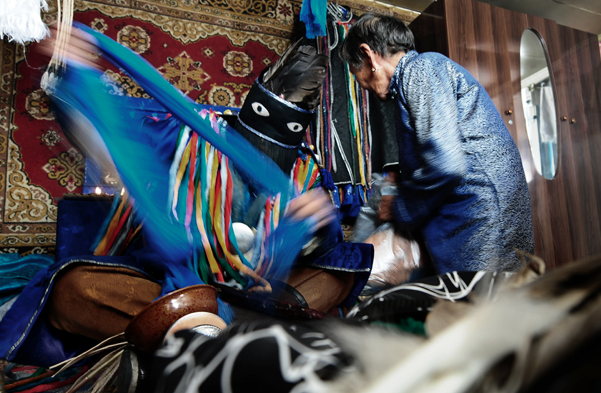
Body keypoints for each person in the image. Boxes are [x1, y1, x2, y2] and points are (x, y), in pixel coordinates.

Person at [0, 25, 372, 368]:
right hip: (177, 285)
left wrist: (317, 227)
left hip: (262, 296)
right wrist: (81, 78)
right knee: (72, 290)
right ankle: (224, 334)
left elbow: (321, 248)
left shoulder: (305, 171)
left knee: (345, 266)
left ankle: (208, 333)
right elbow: (120, 139)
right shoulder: (194, 135)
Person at [341, 13, 534, 274]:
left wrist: (400, 206)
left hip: (481, 219)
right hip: (485, 213)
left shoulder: (422, 68)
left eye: (357, 73)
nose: (362, 84)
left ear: (368, 56)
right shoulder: (417, 77)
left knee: (481, 305)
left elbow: (447, 164)